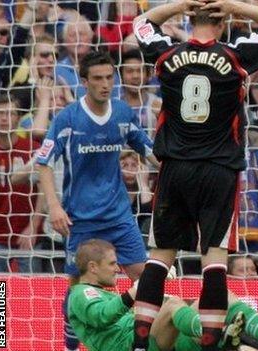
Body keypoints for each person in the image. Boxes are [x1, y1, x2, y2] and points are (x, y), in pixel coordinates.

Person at [131, 1, 258, 349]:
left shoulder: (166, 53)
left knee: (160, 257)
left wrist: (180, 5)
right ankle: (209, 343)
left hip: (175, 167)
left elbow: (141, 21)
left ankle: (139, 343)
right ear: (223, 21)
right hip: (218, 169)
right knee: (214, 261)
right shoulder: (236, 55)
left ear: (189, 19)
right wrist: (234, 6)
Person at [35, 50, 157, 351]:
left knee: (143, 277)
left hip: (118, 215)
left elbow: (148, 151)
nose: (105, 84)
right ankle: (70, 345)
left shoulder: (123, 113)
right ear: (84, 81)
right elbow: (44, 162)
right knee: (77, 289)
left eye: (109, 78)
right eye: (98, 78)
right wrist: (54, 206)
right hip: (81, 218)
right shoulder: (68, 118)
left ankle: (142, 342)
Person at [67, 238, 245, 351]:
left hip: (152, 337)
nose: (117, 269)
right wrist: (145, 284)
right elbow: (102, 316)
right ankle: (214, 333)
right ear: (92, 267)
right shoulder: (81, 294)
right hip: (133, 344)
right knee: (173, 305)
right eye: (112, 263)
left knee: (221, 298)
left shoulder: (105, 294)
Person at [0, 96, 41, 272]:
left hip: (28, 234)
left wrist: (33, 226)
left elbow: (44, 191)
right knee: (0, 291)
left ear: (19, 118)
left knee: (29, 292)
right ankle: (1, 301)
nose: (4, 118)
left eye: (10, 113)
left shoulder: (33, 149)